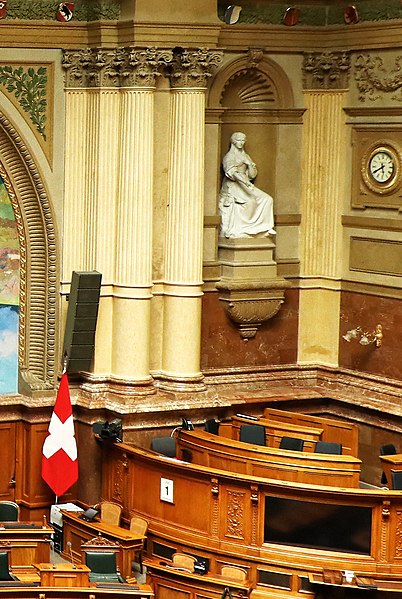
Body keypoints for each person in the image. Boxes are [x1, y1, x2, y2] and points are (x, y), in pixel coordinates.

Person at [218, 132, 276, 239]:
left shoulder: (246, 156)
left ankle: (264, 227)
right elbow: (233, 174)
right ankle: (245, 229)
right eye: (239, 140)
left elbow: (252, 175)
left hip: (246, 184)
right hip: (234, 186)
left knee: (267, 199)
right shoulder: (229, 157)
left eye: (243, 140)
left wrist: (249, 165)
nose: (241, 142)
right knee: (250, 202)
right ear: (233, 141)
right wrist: (246, 182)